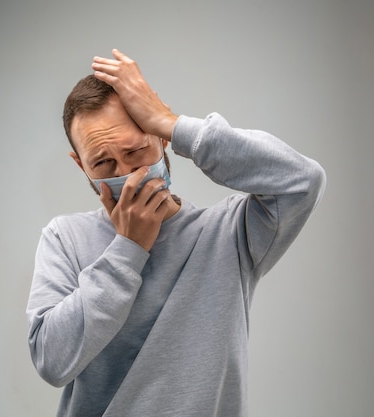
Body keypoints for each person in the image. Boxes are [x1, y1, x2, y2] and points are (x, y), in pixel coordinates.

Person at [26, 49, 326, 417]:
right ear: (80, 165)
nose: (128, 174)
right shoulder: (65, 238)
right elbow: (51, 362)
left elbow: (302, 180)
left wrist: (172, 123)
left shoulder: (230, 235)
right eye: (103, 164)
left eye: (135, 151)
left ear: (161, 138)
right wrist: (127, 250)